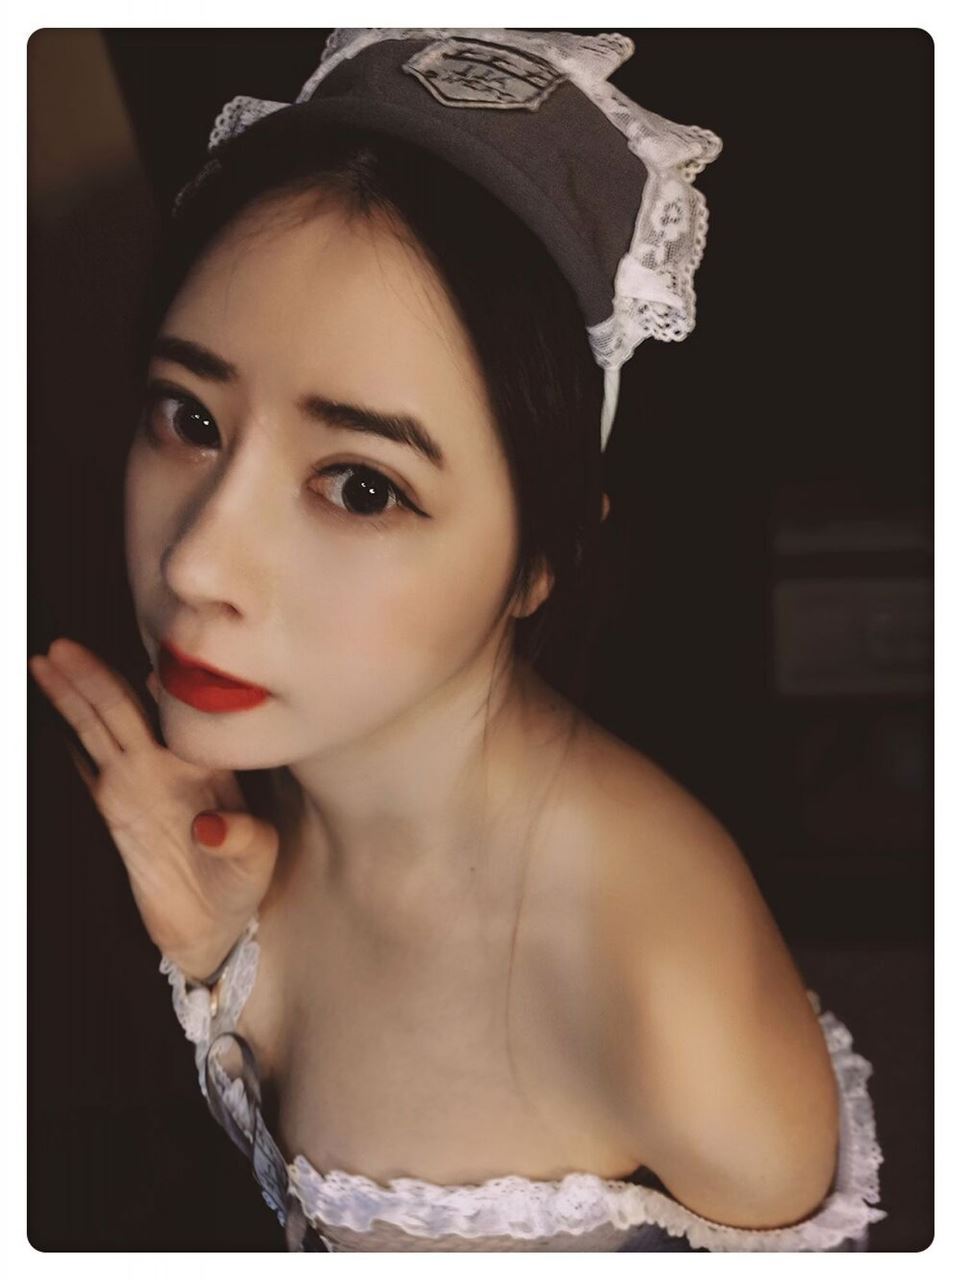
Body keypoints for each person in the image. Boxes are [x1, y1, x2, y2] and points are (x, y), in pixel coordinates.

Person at [28, 28, 886, 1252]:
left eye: (361, 486)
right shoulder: (257, 800)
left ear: (542, 557)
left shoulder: (653, 976)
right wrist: (222, 961)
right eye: (190, 417)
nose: (195, 563)